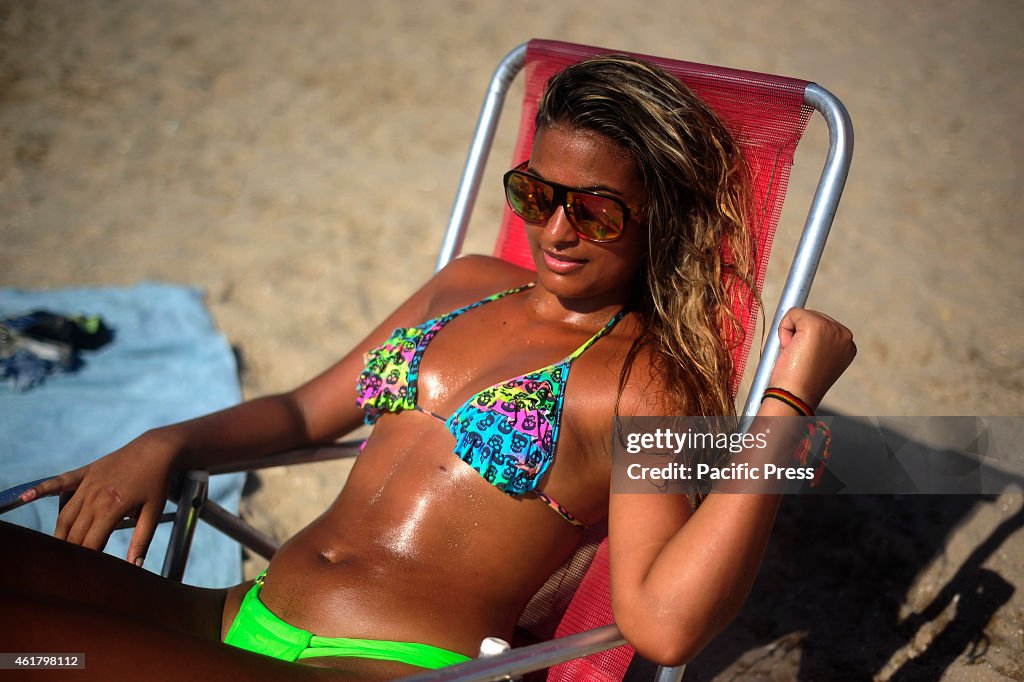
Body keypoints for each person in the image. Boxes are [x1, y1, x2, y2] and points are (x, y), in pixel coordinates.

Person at [0, 55, 855, 680]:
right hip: (241, 619)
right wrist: (166, 441)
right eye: (536, 194)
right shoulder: (467, 285)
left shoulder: (642, 379)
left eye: (595, 211)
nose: (555, 230)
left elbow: (661, 626)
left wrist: (787, 401)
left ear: (657, 219)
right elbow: (304, 413)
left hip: (380, 669)